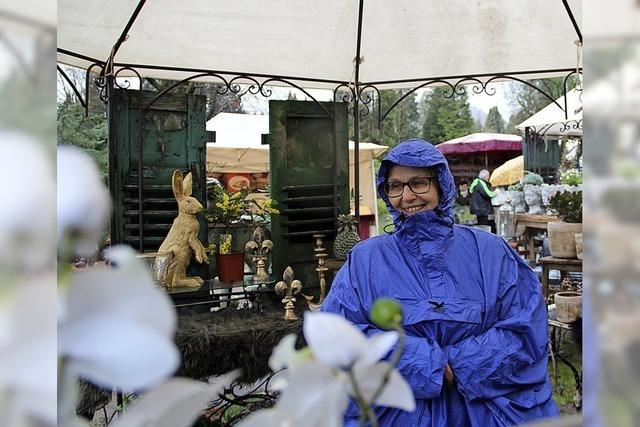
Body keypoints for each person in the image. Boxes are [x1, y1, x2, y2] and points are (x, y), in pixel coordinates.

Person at [322, 139, 558, 426]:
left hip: (487, 411)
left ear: (441, 184)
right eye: (395, 186)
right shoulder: (365, 260)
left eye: (418, 183)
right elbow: (337, 335)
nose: (407, 197)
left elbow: (525, 329)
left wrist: (459, 364)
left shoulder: (491, 252)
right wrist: (427, 364)